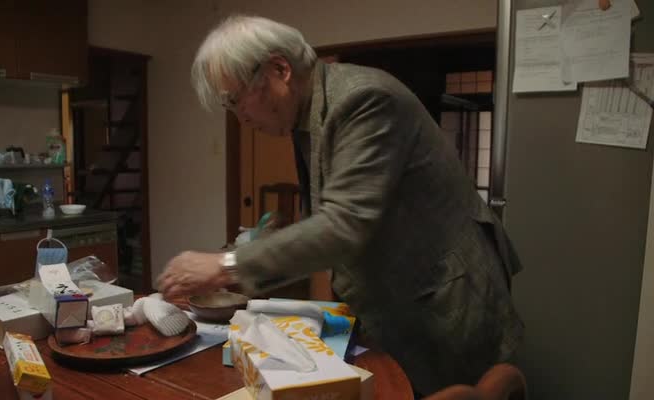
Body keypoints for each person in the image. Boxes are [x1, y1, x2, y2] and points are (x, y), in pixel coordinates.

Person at [157, 15, 524, 396]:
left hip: (445, 293)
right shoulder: (309, 112)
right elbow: (329, 214)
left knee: (454, 390)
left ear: (279, 69)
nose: (240, 117)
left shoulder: (362, 99)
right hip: (399, 291)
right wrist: (253, 252)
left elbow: (344, 224)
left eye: (235, 100)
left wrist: (225, 265)